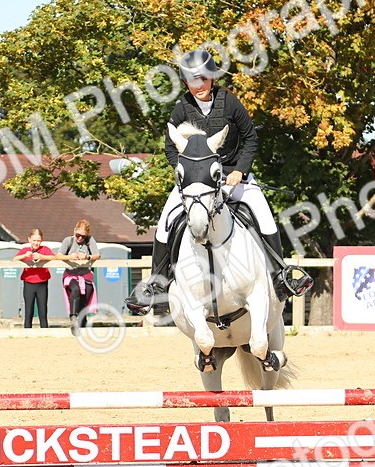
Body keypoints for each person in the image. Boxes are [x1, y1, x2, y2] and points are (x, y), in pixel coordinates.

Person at [124, 48, 313, 315]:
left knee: (264, 215)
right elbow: (170, 147)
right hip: (195, 182)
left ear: (211, 78)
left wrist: (241, 172)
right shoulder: (181, 108)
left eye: (202, 79)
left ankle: (279, 277)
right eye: (192, 80)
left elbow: (250, 139)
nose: (198, 85)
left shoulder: (230, 102)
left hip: (233, 177)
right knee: (165, 223)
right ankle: (159, 286)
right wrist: (187, 174)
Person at [56, 220, 101, 333]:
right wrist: (70, 257)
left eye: (83, 236)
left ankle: (82, 322)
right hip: (71, 274)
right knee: (75, 290)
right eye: (78, 235)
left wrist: (87, 257)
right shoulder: (68, 240)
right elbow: (59, 255)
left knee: (85, 297)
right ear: (74, 231)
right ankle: (73, 318)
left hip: (85, 275)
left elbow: (97, 255)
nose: (80, 238)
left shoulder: (90, 241)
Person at [14, 228, 56, 328]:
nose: (36, 243)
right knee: (28, 310)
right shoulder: (25, 250)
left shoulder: (45, 249)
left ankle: (44, 331)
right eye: (34, 240)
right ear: (29, 240)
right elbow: (15, 259)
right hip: (28, 283)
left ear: (41, 240)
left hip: (42, 282)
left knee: (43, 310)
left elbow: (54, 257)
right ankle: (27, 330)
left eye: (38, 240)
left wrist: (42, 257)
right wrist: (25, 255)